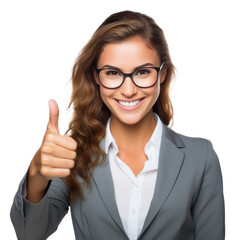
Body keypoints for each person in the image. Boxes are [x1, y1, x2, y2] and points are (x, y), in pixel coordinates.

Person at [10, 10, 225, 240]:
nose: (129, 90)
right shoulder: (74, 155)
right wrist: (37, 174)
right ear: (96, 76)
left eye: (143, 72)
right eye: (113, 73)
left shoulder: (200, 158)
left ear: (162, 74)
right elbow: (28, 234)